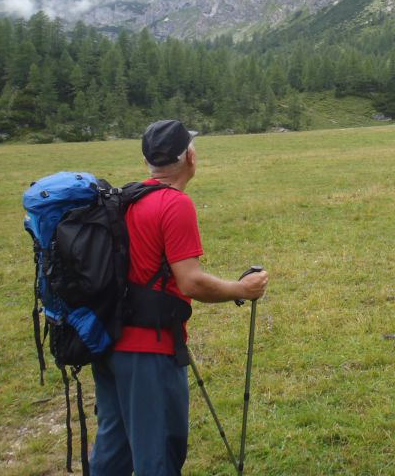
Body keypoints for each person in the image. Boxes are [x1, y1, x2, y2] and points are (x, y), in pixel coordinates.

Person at [90, 119, 268, 476]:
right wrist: (242, 290)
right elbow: (190, 283)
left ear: (148, 161)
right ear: (189, 156)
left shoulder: (124, 199)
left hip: (109, 343)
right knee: (159, 452)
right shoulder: (174, 204)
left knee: (114, 447)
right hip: (149, 352)